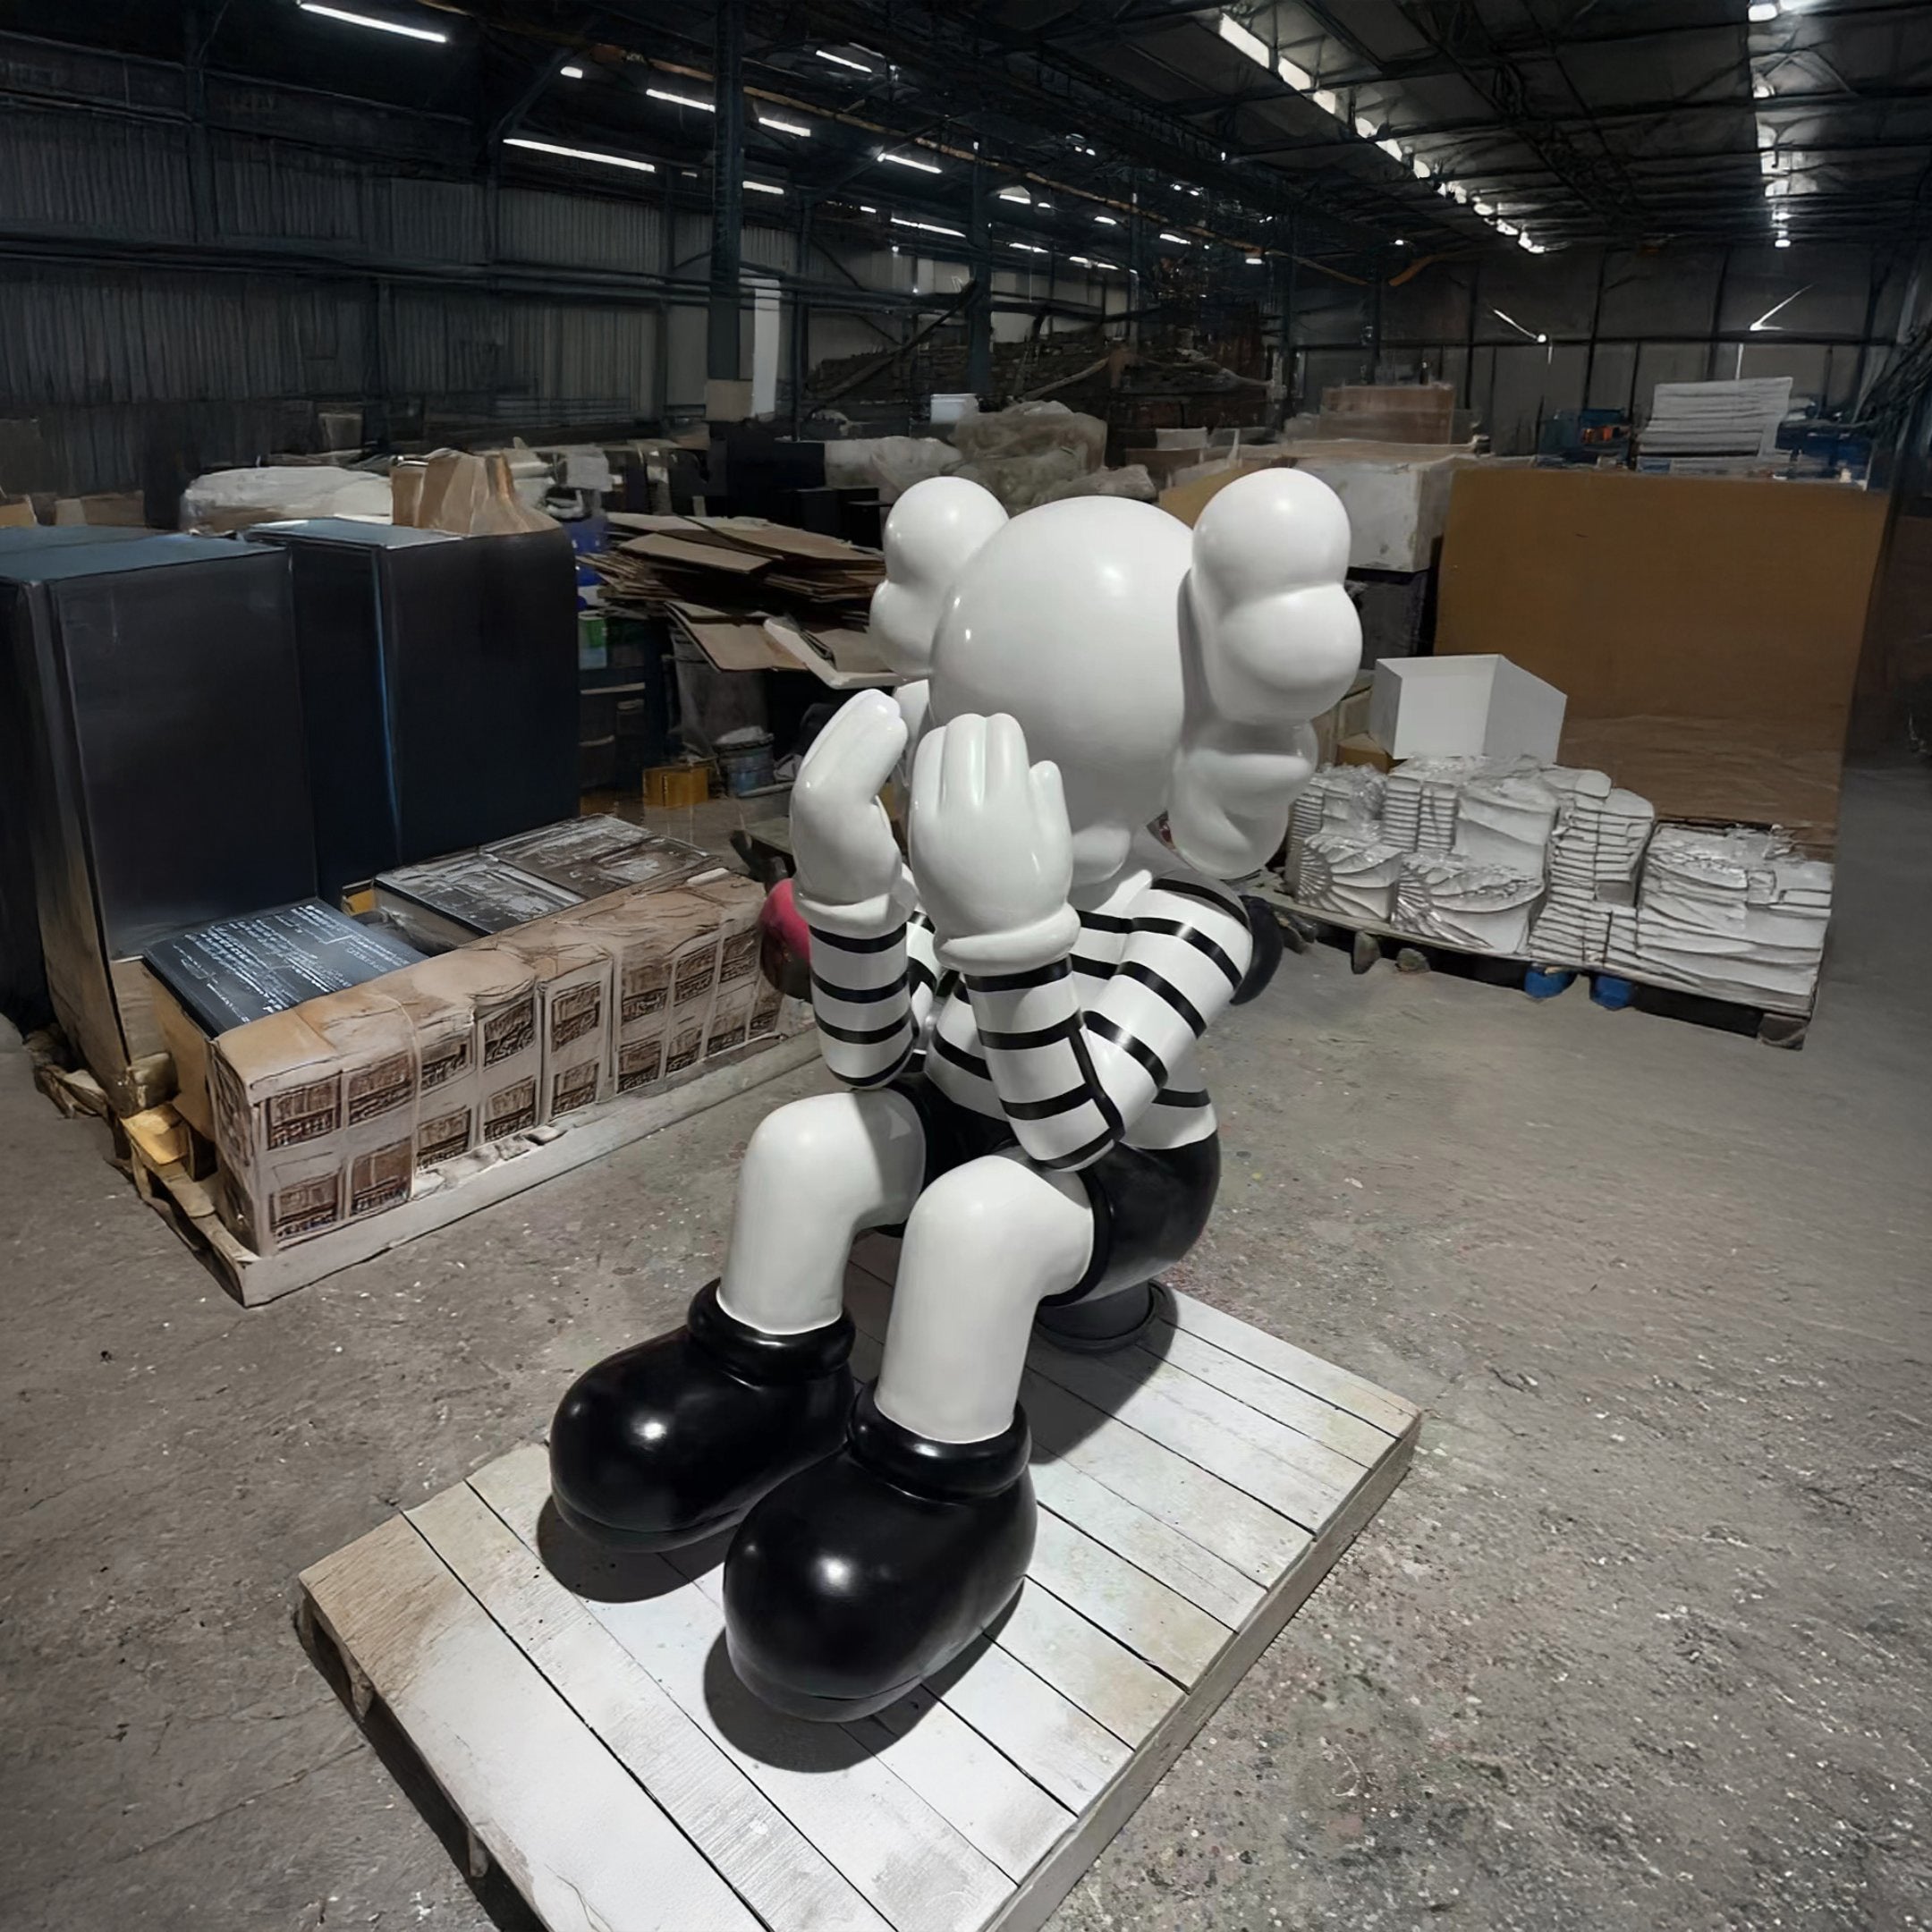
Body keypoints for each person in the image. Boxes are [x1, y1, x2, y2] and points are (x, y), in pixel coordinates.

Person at [549, 468, 1361, 1719]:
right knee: (809, 1141)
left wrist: (1016, 935)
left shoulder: (1189, 916)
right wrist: (855, 890)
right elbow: (873, 1060)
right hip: (969, 1109)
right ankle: (764, 1383)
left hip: (1123, 1178)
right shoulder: (965, 864)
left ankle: (944, 1489)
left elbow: (1075, 1128)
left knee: (981, 1220)